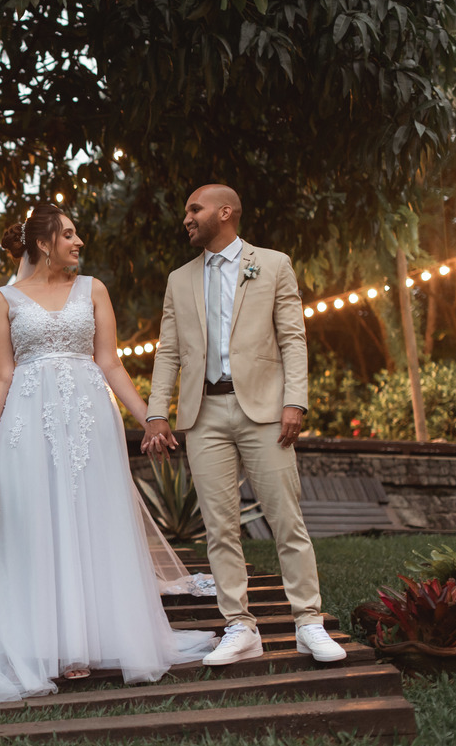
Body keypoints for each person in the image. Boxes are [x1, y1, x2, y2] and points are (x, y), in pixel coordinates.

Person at [0, 203, 216, 703]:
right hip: (27, 424)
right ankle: (44, 644)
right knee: (34, 523)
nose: (78, 242)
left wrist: (150, 419)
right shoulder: (4, 299)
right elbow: (1, 375)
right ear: (43, 242)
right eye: (69, 234)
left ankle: (97, 638)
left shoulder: (93, 289)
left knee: (92, 519)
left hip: (90, 420)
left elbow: (111, 362)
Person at [143, 184, 346, 666]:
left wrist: (295, 401)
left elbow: (293, 340)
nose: (187, 217)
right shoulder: (179, 279)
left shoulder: (273, 263)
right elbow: (168, 350)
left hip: (265, 413)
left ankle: (308, 624)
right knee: (219, 527)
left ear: (225, 212)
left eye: (195, 208)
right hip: (203, 414)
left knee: (285, 520)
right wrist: (156, 411)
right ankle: (240, 626)